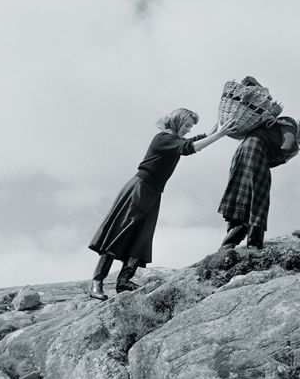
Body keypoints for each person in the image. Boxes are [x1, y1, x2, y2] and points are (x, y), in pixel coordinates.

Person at [88, 108, 236, 300]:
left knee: (143, 236)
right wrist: (220, 134)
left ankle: (124, 281)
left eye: (191, 126)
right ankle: (96, 283)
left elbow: (194, 141)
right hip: (139, 188)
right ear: (177, 122)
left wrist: (218, 127)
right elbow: (192, 148)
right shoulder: (163, 138)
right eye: (187, 125)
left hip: (154, 192)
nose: (189, 129)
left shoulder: (174, 140)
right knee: (120, 232)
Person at [217, 115, 300, 250]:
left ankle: (229, 246)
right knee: (258, 199)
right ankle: (253, 246)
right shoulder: (290, 124)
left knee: (245, 199)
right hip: (254, 152)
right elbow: (289, 146)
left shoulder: (287, 125)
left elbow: (273, 161)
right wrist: (291, 154)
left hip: (246, 153)